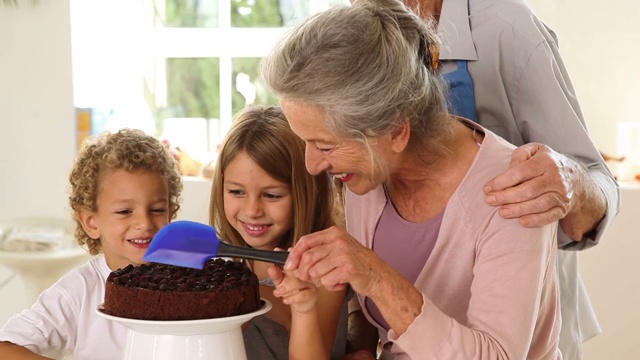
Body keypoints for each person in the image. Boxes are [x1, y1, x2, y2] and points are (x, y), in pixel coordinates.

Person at [261, 0, 562, 358]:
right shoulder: (366, 178)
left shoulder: (513, 191)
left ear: (396, 130)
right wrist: (358, 339)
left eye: (324, 146)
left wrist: (376, 276)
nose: (312, 165)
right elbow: (377, 320)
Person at [398, 0, 620, 358]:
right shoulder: (369, 37)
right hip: (422, 326)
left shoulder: (507, 28)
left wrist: (571, 182)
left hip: (530, 328)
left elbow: (598, 182)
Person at [0, 129, 183, 360]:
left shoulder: (194, 277)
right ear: (91, 222)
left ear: (171, 212)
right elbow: (5, 349)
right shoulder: (79, 291)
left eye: (157, 210)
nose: (144, 223)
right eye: (124, 211)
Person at [208, 105, 347, 360]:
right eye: (237, 192)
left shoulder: (323, 268)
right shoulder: (220, 262)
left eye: (272, 195)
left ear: (305, 193)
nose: (252, 210)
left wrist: (301, 308)